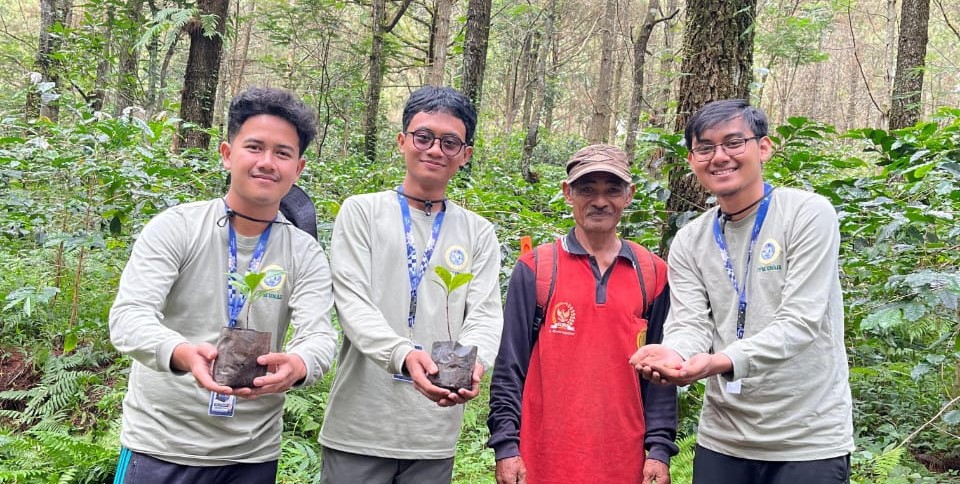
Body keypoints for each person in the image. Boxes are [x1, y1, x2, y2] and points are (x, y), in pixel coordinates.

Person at [109, 87, 338, 483]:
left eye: (282, 153)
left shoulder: (305, 252)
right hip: (161, 447)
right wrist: (181, 352)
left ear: (297, 169)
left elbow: (319, 334)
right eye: (254, 147)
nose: (267, 162)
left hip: (252, 454)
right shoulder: (177, 228)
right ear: (227, 153)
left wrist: (298, 365)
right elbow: (128, 318)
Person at [630, 99, 855, 483]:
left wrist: (718, 362)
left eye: (734, 143)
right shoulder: (690, 240)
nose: (720, 157)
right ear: (692, 159)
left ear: (763, 147)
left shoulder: (807, 214)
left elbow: (801, 322)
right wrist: (674, 353)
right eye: (706, 148)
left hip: (807, 439)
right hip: (724, 438)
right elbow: (690, 322)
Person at [318, 85, 503, 483]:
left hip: (433, 431)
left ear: (465, 155)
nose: (435, 150)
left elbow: (486, 314)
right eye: (423, 137)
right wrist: (402, 354)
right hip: (359, 428)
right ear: (403, 141)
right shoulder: (361, 212)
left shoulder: (478, 232)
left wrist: (473, 365)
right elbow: (352, 303)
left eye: (450, 142)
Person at [487, 144, 679, 484]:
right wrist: (506, 446)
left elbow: (662, 377)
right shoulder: (537, 268)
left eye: (612, 190)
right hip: (543, 457)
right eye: (587, 189)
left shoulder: (652, 273)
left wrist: (659, 450)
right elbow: (510, 366)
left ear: (629, 195)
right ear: (567, 193)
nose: (600, 201)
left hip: (624, 460)